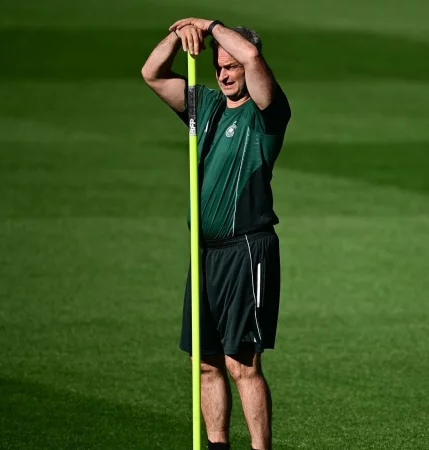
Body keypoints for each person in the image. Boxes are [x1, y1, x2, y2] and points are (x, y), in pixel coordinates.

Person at [141, 16, 291, 450]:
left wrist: (208, 25)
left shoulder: (267, 113)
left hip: (246, 249)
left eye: (231, 67)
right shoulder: (203, 107)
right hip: (204, 251)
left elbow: (252, 55)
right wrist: (177, 35)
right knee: (206, 363)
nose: (223, 75)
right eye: (218, 67)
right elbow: (152, 73)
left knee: (241, 363)